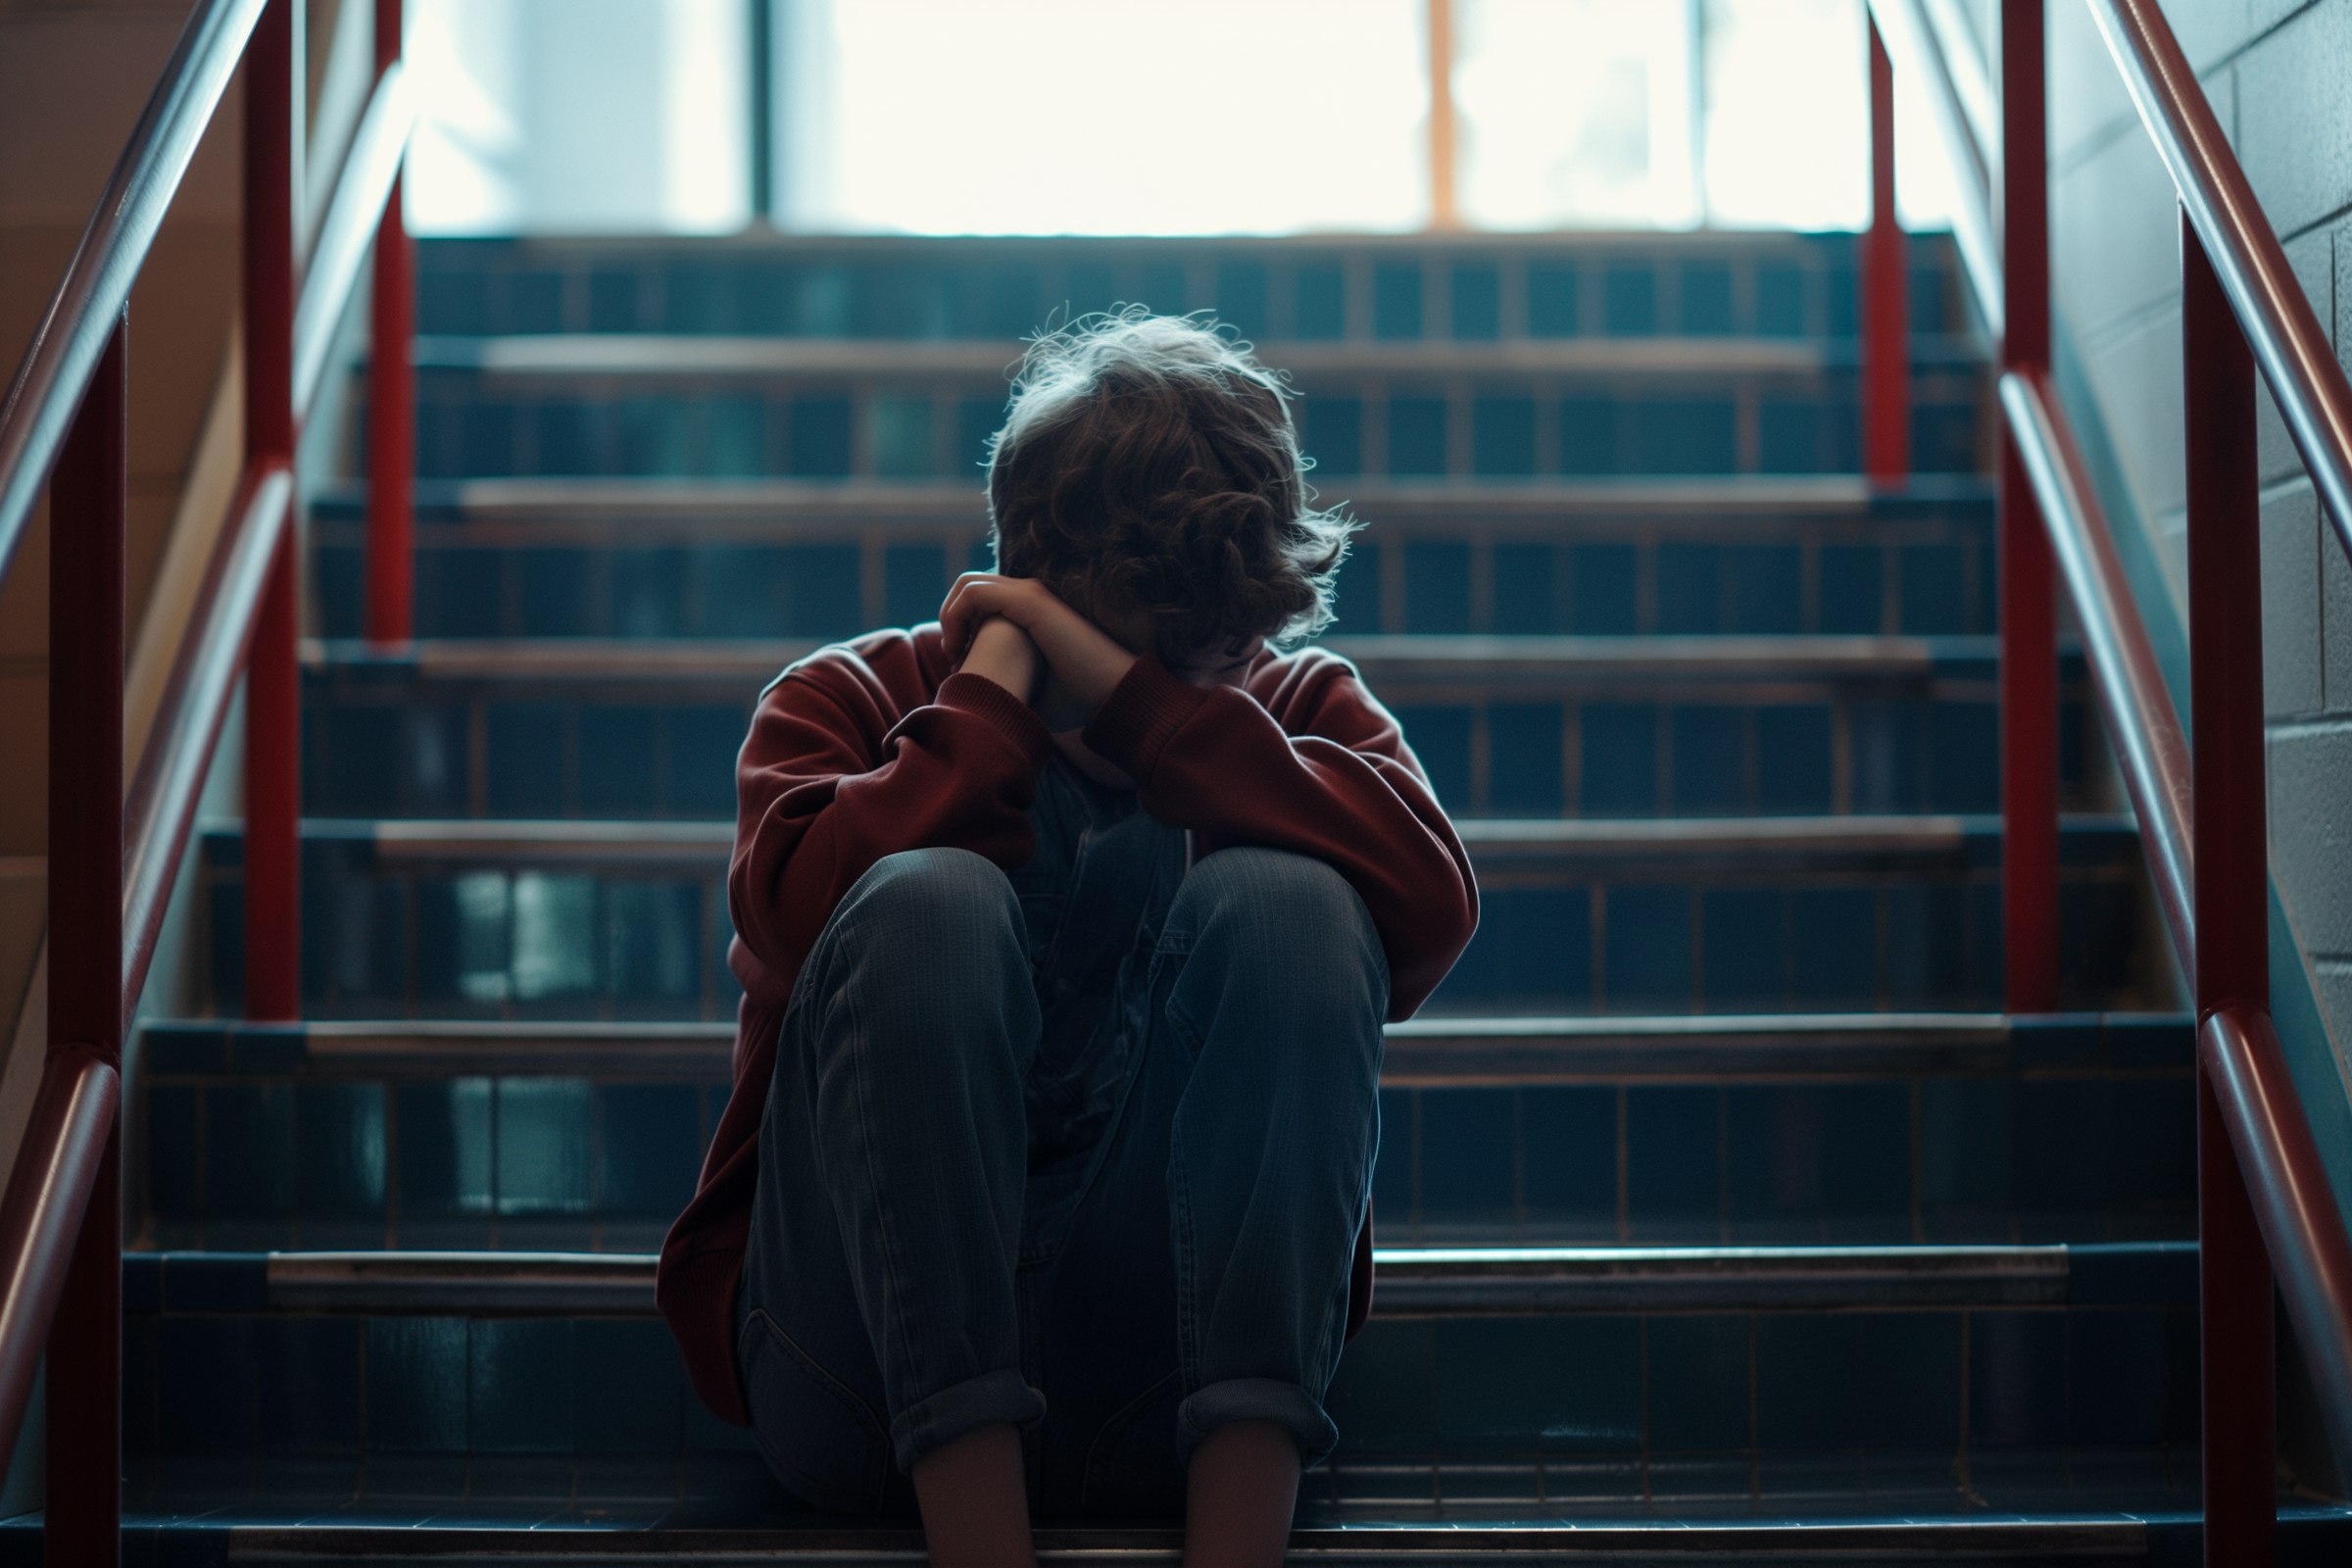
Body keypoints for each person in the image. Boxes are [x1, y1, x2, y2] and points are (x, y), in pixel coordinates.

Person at [657, 311, 1478, 1568]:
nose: (1215, 684)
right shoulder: (842, 704)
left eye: (1221, 659)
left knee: (1296, 903)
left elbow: (1430, 905)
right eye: (1155, 666)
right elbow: (787, 921)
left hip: (1174, 1393)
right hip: (861, 1386)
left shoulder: (1288, 702)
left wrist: (1156, 710)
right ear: (1038, 590)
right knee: (925, 901)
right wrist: (991, 700)